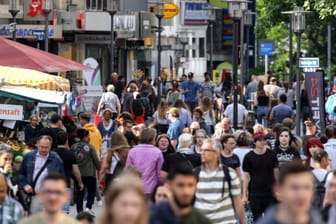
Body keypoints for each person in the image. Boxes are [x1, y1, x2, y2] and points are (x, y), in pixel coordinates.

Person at [195, 139, 246, 224]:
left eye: (206, 150)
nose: (202, 153)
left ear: (216, 153)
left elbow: (237, 201)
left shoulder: (229, 173)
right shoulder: (195, 174)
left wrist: (243, 222)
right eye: (201, 150)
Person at [256, 161, 324, 224]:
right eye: (294, 188)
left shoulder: (318, 219)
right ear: (278, 191)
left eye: (306, 187)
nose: (301, 195)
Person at [18, 135, 64, 214]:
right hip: (34, 196)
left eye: (46, 147)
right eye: (41, 147)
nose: (43, 149)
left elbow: (62, 177)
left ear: (50, 146)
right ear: (37, 145)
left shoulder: (56, 159)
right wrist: (25, 185)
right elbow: (21, 174)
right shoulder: (29, 156)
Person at [242, 131, 279, 221]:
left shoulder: (272, 154)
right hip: (255, 193)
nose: (262, 142)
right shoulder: (248, 156)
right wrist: (244, 194)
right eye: (259, 140)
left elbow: (276, 173)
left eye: (263, 140)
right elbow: (246, 176)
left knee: (271, 218)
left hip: (270, 192)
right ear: (254, 142)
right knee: (256, 218)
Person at [71, 129, 100, 214]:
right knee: (91, 191)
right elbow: (95, 159)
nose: (89, 138)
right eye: (88, 136)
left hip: (78, 174)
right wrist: (99, 167)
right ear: (85, 137)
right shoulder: (90, 147)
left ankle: (79, 210)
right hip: (90, 173)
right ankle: (88, 207)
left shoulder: (73, 147)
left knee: (80, 192)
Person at [126, 128, 163, 195]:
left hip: (135, 187)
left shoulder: (132, 151)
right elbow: (159, 173)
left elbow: (128, 171)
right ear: (153, 139)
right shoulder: (157, 152)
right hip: (151, 188)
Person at [54, 131, 83, 214]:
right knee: (64, 212)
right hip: (65, 184)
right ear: (66, 141)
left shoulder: (52, 153)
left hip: (53, 184)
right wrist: (80, 183)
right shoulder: (71, 155)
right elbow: (76, 171)